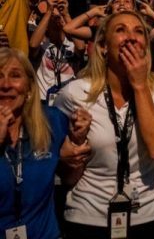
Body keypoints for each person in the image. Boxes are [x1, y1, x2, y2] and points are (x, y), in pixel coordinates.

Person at [55, 11, 154, 238]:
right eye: (120, 30)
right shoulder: (75, 92)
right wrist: (71, 149)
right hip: (88, 217)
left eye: (139, 31)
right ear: (102, 46)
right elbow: (66, 173)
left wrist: (140, 85)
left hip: (148, 214)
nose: (131, 37)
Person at [0, 48, 89, 239]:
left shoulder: (52, 121)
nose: (5, 84)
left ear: (30, 88)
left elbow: (70, 179)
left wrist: (77, 142)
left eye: (15, 76)